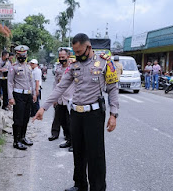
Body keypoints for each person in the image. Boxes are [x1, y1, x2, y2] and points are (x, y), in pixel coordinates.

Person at [34, 33, 119, 191]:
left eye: (79, 52)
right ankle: (80, 184)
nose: (76, 55)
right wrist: (43, 107)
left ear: (88, 47)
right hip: (76, 114)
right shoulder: (74, 65)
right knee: (78, 152)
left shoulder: (105, 62)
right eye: (75, 52)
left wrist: (113, 114)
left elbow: (113, 89)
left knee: (96, 155)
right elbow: (61, 87)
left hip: (94, 114)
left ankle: (97, 187)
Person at [8, 45, 37, 150]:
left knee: (25, 118)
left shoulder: (29, 67)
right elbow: (10, 83)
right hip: (18, 95)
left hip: (28, 95)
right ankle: (16, 141)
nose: (22, 57)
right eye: (20, 55)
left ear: (26, 55)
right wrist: (10, 97)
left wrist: (34, 94)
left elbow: (31, 81)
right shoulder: (13, 67)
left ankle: (23, 137)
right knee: (18, 119)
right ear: (16, 55)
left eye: (24, 55)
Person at [49, 48, 75, 152]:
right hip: (60, 99)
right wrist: (54, 98)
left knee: (71, 122)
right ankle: (68, 140)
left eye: (63, 57)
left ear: (68, 56)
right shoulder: (58, 69)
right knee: (63, 121)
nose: (61, 59)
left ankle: (74, 143)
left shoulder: (73, 68)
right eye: (59, 57)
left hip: (70, 99)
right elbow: (55, 84)